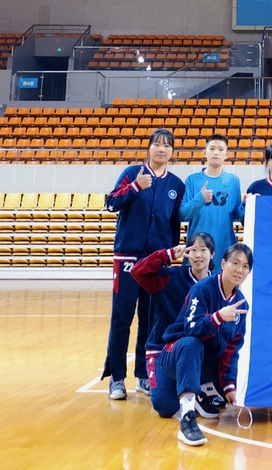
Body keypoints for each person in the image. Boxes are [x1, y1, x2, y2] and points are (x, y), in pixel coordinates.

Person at [102, 128, 184, 401]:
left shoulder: (176, 185)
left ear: (172, 152)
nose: (162, 149)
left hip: (155, 262)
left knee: (149, 321)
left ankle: (143, 376)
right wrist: (135, 187)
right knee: (122, 319)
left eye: (167, 145)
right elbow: (111, 203)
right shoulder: (131, 173)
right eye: (157, 144)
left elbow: (173, 225)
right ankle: (116, 378)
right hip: (127, 258)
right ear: (149, 148)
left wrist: (169, 255)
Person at [158, 243, 253, 447]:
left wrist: (229, 385)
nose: (239, 270)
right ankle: (187, 419)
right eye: (235, 263)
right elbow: (191, 329)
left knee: (228, 395)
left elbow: (232, 349)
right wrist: (218, 317)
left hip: (206, 362)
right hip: (177, 352)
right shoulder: (202, 289)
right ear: (223, 263)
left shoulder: (241, 304)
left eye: (245, 266)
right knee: (165, 407)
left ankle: (201, 391)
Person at [130, 232, 224, 418]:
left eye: (203, 250)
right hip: (163, 350)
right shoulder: (171, 277)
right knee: (165, 406)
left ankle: (201, 388)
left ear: (212, 254)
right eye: (193, 249)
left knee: (226, 390)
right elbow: (137, 272)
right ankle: (189, 389)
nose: (198, 255)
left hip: (198, 352)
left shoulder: (218, 285)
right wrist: (169, 254)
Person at [179, 134, 244, 264]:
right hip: (197, 251)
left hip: (225, 249)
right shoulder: (192, 180)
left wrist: (248, 204)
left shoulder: (233, 181)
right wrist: (199, 199)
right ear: (204, 152)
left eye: (220, 149)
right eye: (212, 148)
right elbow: (182, 215)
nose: (216, 153)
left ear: (227, 154)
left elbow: (238, 214)